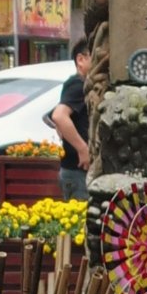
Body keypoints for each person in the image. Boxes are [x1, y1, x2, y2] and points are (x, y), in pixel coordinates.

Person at [49, 39, 92, 190]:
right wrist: (82, 149)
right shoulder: (77, 85)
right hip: (77, 170)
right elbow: (58, 116)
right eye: (96, 57)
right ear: (81, 59)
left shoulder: (83, 85)